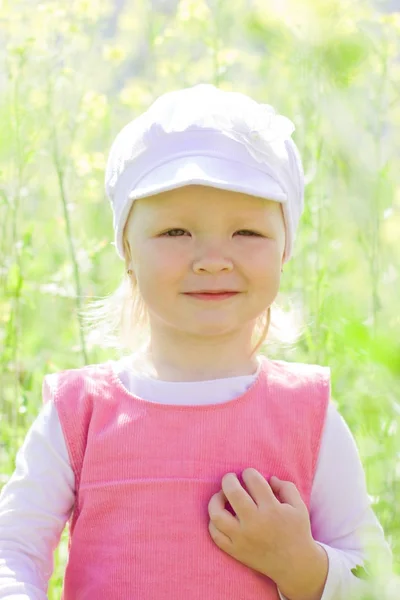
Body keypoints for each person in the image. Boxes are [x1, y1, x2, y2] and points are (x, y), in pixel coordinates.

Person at [0, 83, 393, 600]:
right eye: (175, 233)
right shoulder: (81, 413)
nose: (211, 258)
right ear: (127, 251)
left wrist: (302, 565)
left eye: (247, 233)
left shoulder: (307, 413)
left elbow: (375, 581)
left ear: (284, 252)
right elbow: (14, 549)